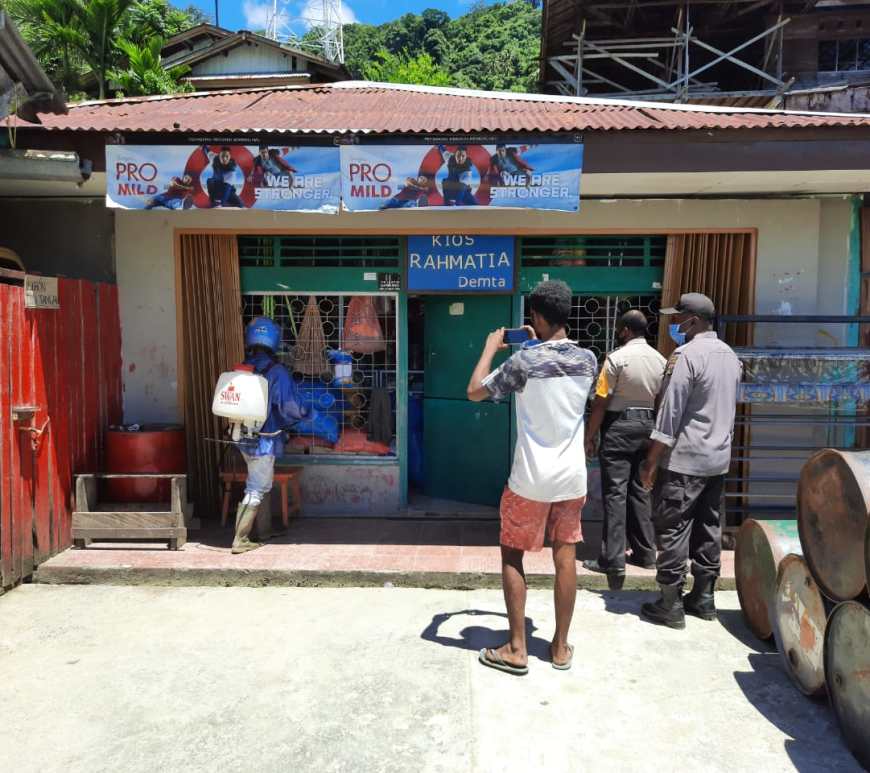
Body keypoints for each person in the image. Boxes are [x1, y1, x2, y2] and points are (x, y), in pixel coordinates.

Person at [467, 280, 597, 674]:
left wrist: (491, 347)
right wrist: (537, 339)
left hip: (530, 478)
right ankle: (559, 647)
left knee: (512, 553)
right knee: (565, 557)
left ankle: (517, 648)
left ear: (536, 316)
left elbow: (474, 390)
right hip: (572, 476)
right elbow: (559, 374)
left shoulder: (522, 363)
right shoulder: (589, 360)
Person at [638, 293, 742, 629]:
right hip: (717, 460)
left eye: (678, 319)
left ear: (693, 321)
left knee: (673, 528)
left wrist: (651, 461)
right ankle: (704, 597)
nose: (674, 324)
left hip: (685, 460)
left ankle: (670, 603)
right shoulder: (730, 357)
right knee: (708, 527)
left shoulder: (685, 356)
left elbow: (670, 413)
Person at [583, 310, 666, 589]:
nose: (619, 333)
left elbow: (601, 401)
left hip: (619, 426)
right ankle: (645, 554)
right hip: (648, 426)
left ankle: (613, 559)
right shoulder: (661, 360)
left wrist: (590, 435)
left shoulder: (616, 359)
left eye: (620, 329)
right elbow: (662, 400)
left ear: (626, 330)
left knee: (615, 493)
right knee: (640, 490)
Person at [232, 317, 310, 554]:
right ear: (274, 340)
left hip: (240, 436)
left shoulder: (243, 368)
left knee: (260, 482)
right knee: (257, 486)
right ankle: (240, 538)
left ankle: (263, 531)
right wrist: (307, 414)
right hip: (263, 440)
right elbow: (289, 406)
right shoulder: (276, 372)